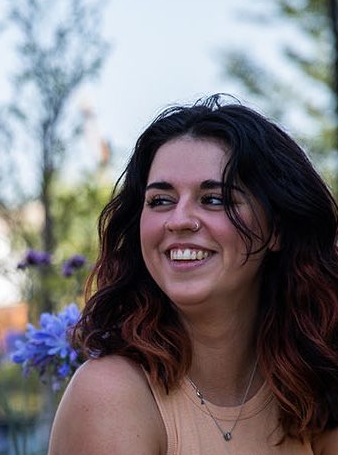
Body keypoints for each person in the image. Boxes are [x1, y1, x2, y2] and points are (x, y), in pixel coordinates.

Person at [49, 95, 338, 454]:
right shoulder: (110, 393)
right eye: (160, 200)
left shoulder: (313, 386)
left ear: (276, 229)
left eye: (214, 199)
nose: (180, 219)